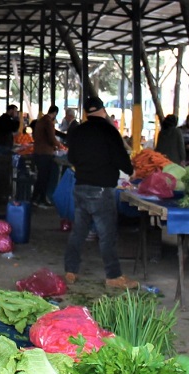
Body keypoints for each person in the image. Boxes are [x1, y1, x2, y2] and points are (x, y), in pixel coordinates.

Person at [63, 96, 138, 289]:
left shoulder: (78, 131)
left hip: (80, 187)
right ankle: (113, 276)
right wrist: (131, 171)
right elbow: (120, 157)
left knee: (78, 232)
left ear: (87, 113)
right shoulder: (109, 130)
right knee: (107, 235)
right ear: (103, 110)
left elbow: (70, 157)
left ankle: (70, 270)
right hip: (101, 189)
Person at [30, 106, 62, 208]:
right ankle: (39, 199)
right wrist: (59, 145)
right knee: (44, 177)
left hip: (37, 152)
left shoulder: (41, 120)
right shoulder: (48, 122)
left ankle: (37, 198)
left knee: (41, 176)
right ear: (55, 113)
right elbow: (52, 138)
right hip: (45, 153)